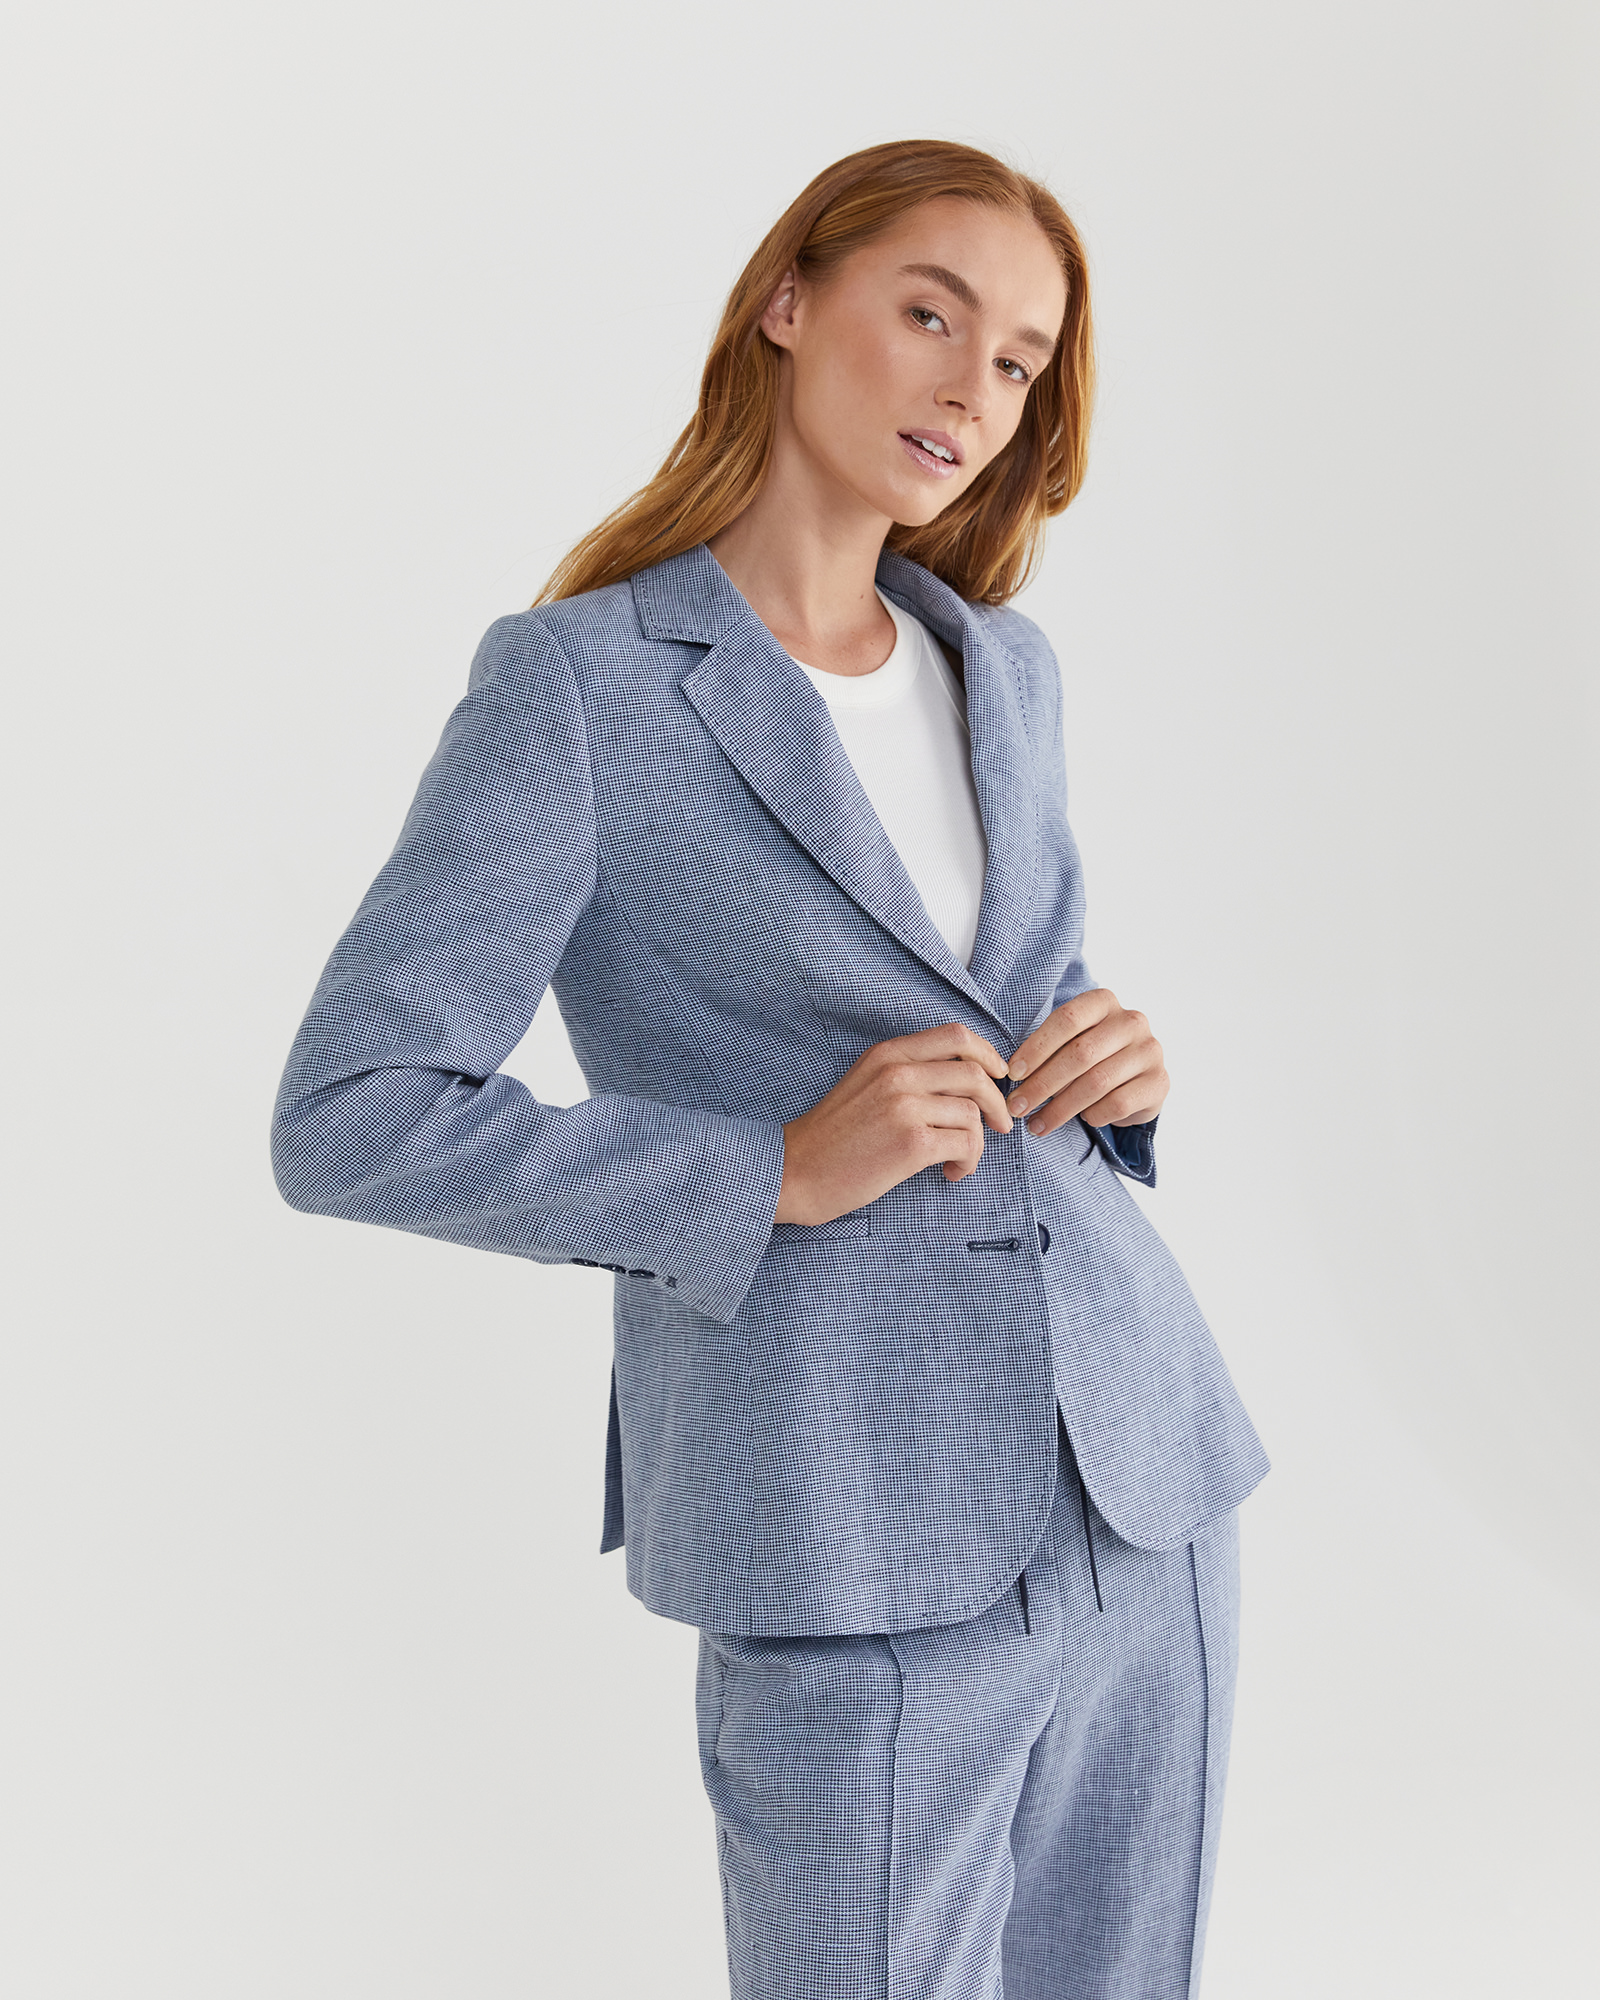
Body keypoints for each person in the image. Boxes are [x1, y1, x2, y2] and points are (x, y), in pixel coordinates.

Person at [272, 138, 1270, 2000]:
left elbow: (994, 977)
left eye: (1020, 360)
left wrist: (1113, 1067)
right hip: (848, 1519)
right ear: (788, 303)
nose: (973, 389)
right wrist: (771, 1169)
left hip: (1145, 1480)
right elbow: (349, 1113)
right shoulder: (578, 688)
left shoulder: (1005, 667)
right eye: (932, 315)